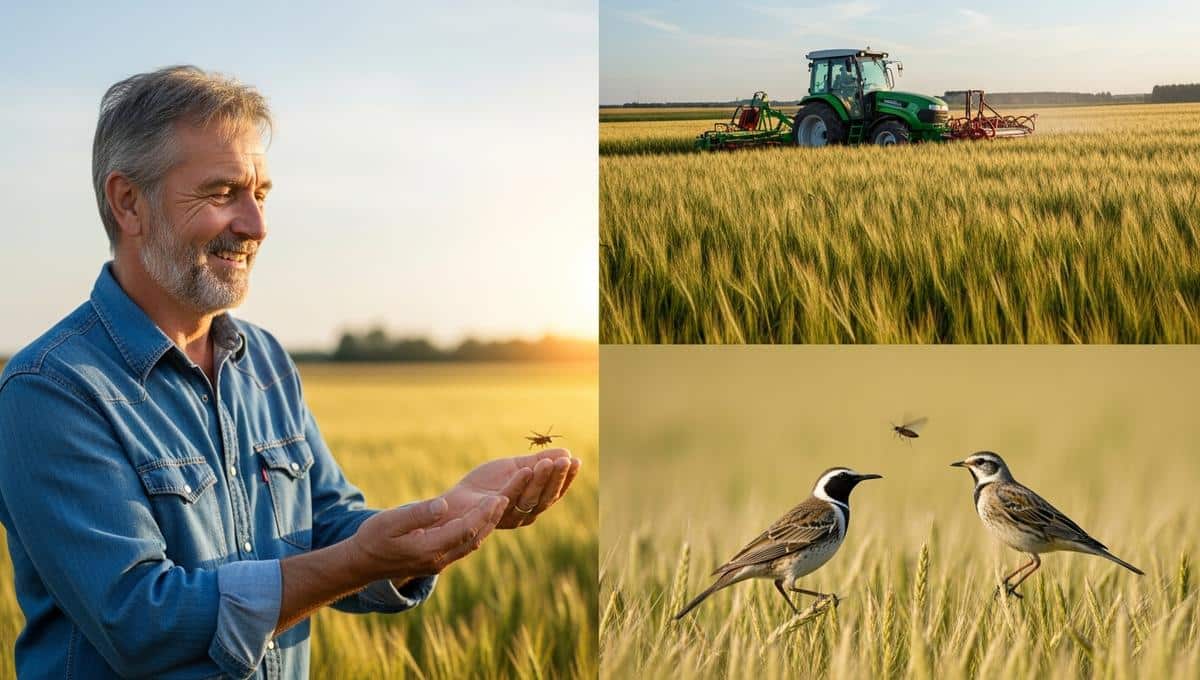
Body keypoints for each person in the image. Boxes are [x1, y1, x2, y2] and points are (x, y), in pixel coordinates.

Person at [0, 65, 580, 679]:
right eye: (223, 193)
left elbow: (325, 527)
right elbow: (139, 621)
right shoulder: (51, 390)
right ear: (128, 203)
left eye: (261, 194)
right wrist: (356, 562)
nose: (256, 225)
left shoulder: (265, 363)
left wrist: (443, 515)